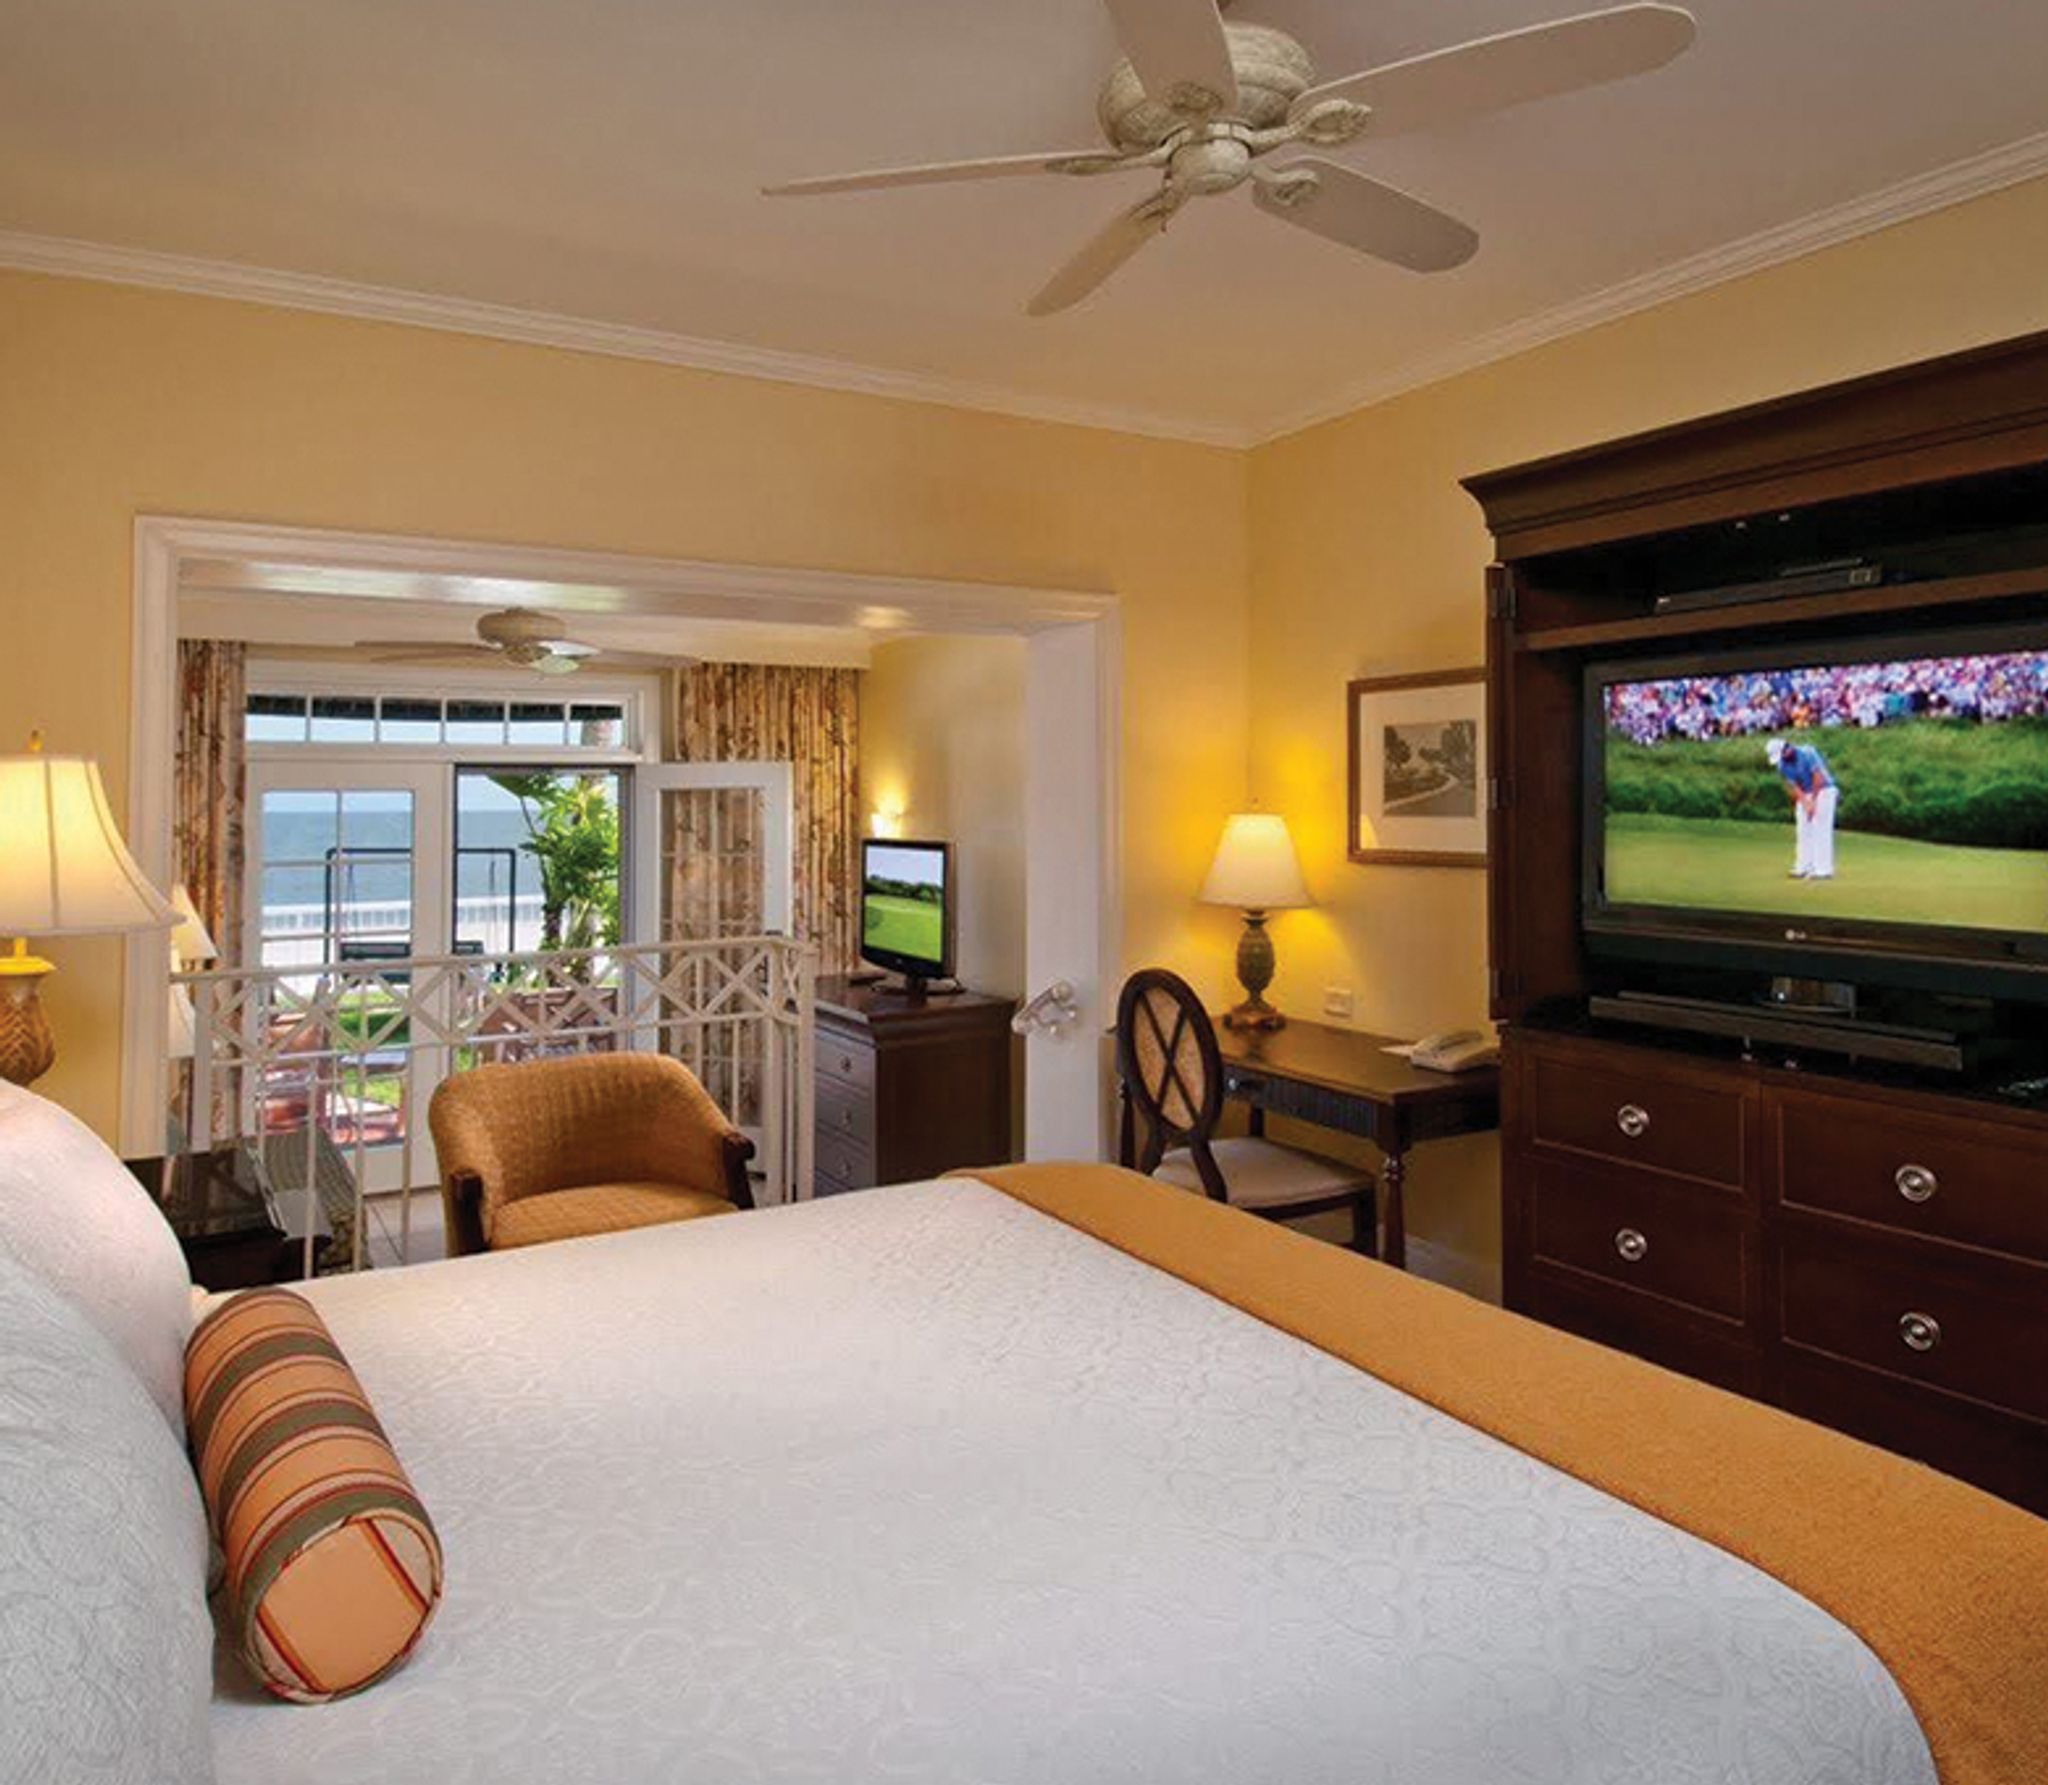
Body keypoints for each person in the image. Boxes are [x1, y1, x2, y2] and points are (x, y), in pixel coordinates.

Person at [1766, 737, 1837, 879]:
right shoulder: (1782, 765)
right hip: (1805, 793)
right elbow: (1794, 786)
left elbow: (1819, 778)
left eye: (1782, 755)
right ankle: (1803, 866)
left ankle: (1823, 869)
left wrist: (1813, 802)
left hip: (1824, 791)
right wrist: (1805, 802)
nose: (1782, 759)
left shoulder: (1808, 752)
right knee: (1803, 829)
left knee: (1820, 828)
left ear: (1788, 748)